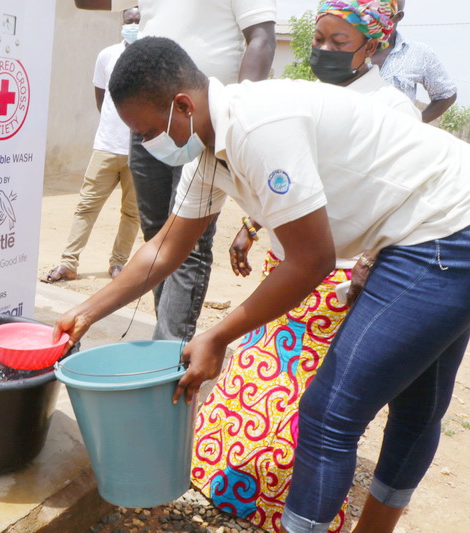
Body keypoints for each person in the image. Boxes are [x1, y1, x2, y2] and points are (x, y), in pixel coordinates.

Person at [54, 36, 470, 533]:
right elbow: (166, 247)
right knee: (418, 407)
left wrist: (217, 335)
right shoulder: (207, 152)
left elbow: (310, 261)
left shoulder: (258, 126)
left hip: (444, 230)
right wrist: (85, 314)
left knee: (329, 413)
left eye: (147, 130)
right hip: (434, 225)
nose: (146, 144)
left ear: (182, 105)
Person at [193, 1, 420, 531]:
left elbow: (406, 200)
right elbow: (284, 181)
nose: (323, 51)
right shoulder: (297, 97)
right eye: (319, 39)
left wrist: (373, 262)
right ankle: (239, 498)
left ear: (375, 46)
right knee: (246, 387)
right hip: (287, 268)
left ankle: (294, 514)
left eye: (340, 43)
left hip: (339, 279)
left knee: (305, 409)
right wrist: (252, 228)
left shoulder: (392, 109)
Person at [74, 0, 277, 341]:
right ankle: (166, 343)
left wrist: (240, 116)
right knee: (159, 236)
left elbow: (262, 38)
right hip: (153, 116)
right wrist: (84, 313)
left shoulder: (229, 140)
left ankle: (168, 350)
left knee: (188, 242)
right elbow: (88, 2)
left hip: (199, 121)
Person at [45, 8, 141, 283]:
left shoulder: (153, 57)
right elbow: (102, 98)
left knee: (131, 213)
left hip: (141, 151)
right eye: (128, 21)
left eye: (137, 21)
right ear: (121, 23)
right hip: (107, 146)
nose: (132, 25)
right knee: (86, 206)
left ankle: (118, 264)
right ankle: (69, 262)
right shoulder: (107, 55)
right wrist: (116, 126)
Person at [372, 0, 457, 123]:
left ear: (398, 17)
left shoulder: (419, 53)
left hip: (392, 140)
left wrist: (414, 124)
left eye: (382, 13)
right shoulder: (348, 44)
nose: (372, 18)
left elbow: (447, 94)